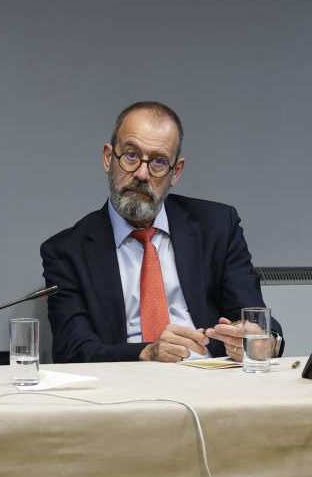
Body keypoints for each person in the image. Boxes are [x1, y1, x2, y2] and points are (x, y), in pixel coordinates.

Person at [41, 101, 283, 363]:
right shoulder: (67, 250)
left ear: (175, 171)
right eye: (131, 155)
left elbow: (255, 319)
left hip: (211, 381)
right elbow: (72, 350)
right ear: (108, 158)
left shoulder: (217, 226)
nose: (142, 174)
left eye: (158, 162)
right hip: (124, 390)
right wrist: (147, 352)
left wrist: (263, 341)